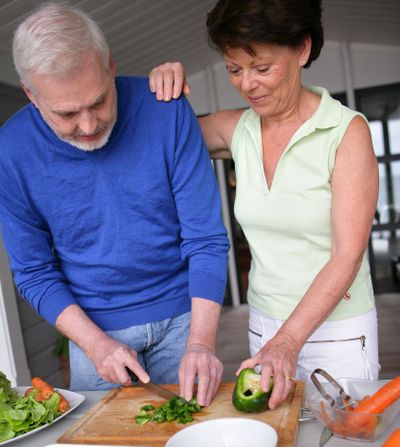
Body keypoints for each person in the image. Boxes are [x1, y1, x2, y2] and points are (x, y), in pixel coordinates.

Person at [149, 0, 380, 409]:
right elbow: (160, 140)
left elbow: (347, 256)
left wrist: (288, 341)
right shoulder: (236, 129)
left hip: (337, 333)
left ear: (303, 50)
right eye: (234, 69)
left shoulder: (346, 133)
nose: (247, 84)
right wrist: (161, 91)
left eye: (262, 68)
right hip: (263, 326)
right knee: (276, 444)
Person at [0, 3, 230, 406]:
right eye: (67, 114)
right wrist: (96, 344)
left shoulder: (167, 109)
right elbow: (34, 272)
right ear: (31, 94)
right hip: (93, 339)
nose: (88, 126)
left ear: (110, 66)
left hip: (186, 326)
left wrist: (201, 343)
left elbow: (206, 239)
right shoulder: (10, 153)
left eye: (99, 101)